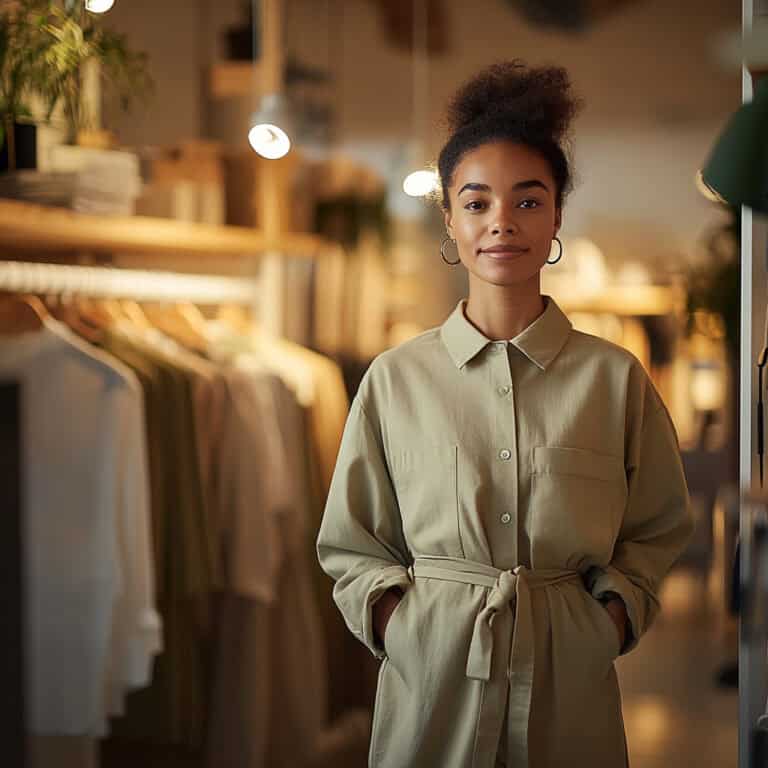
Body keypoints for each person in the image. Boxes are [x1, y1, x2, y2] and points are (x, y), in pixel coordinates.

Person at [316, 60, 695, 768]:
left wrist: (605, 625)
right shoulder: (395, 380)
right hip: (431, 692)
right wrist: (405, 629)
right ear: (450, 219)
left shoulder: (614, 380)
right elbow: (352, 545)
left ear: (556, 215)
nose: (501, 224)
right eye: (477, 201)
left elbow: (657, 529)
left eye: (527, 201)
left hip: (569, 695)